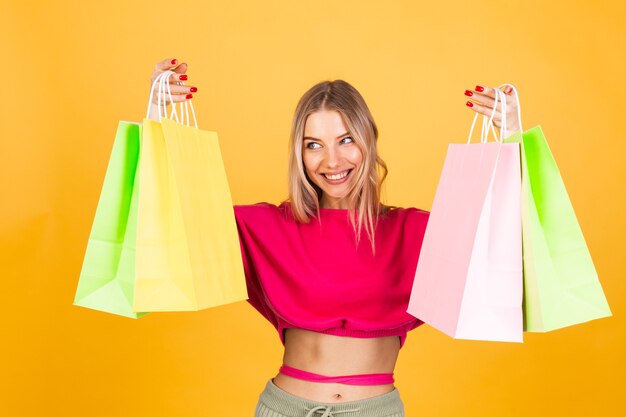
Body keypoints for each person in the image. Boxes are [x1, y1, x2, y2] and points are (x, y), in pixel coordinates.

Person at [147, 57, 521, 417]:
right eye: (314, 145)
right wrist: (158, 121)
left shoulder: (414, 232)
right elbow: (169, 226)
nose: (331, 161)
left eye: (345, 140)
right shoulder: (267, 227)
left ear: (368, 140)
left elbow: (506, 245)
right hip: (284, 408)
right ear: (300, 153)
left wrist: (511, 135)